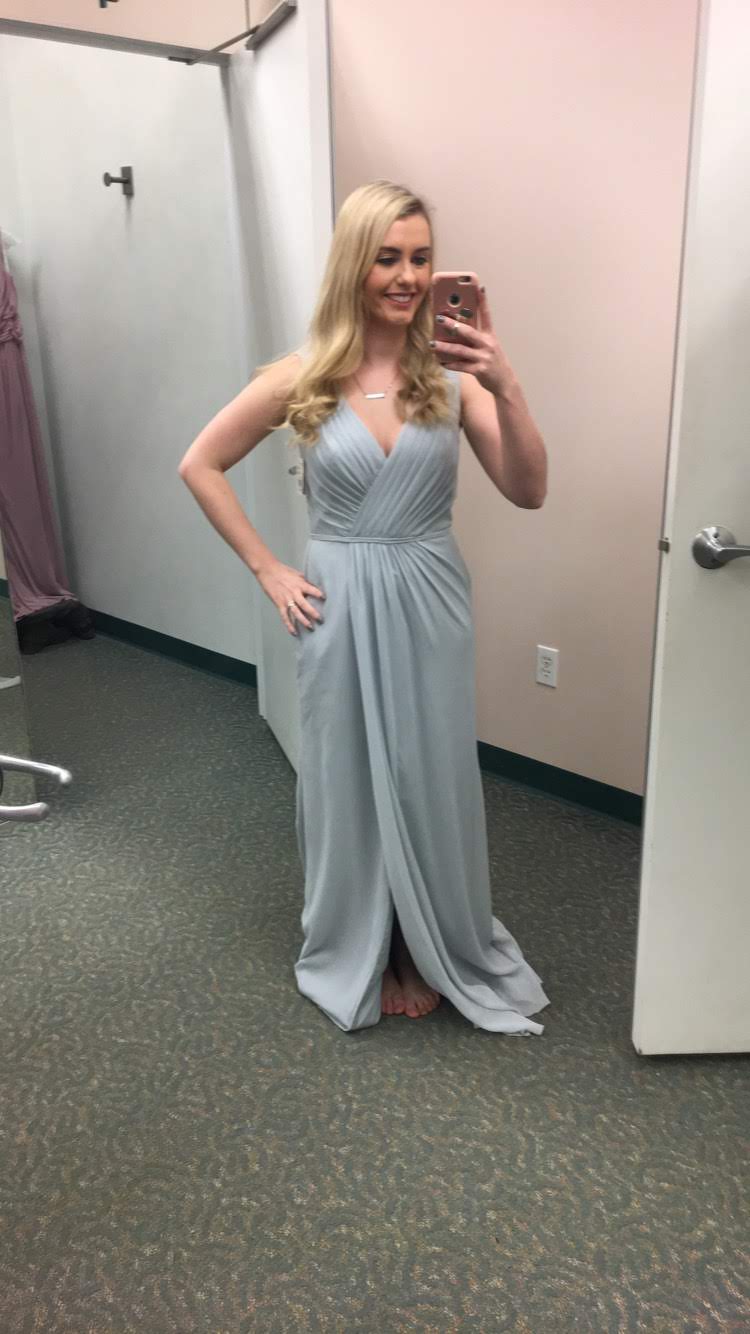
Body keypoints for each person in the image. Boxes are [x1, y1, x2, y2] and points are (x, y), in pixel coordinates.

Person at [179, 180, 551, 1036]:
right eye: (388, 257)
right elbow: (199, 463)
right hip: (338, 598)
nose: (408, 276)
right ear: (355, 263)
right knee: (346, 771)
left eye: (421, 258)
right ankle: (371, 940)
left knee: (429, 770)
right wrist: (269, 569)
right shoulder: (303, 377)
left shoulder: (454, 378)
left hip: (430, 594)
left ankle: (427, 942)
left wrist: (506, 381)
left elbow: (529, 489)